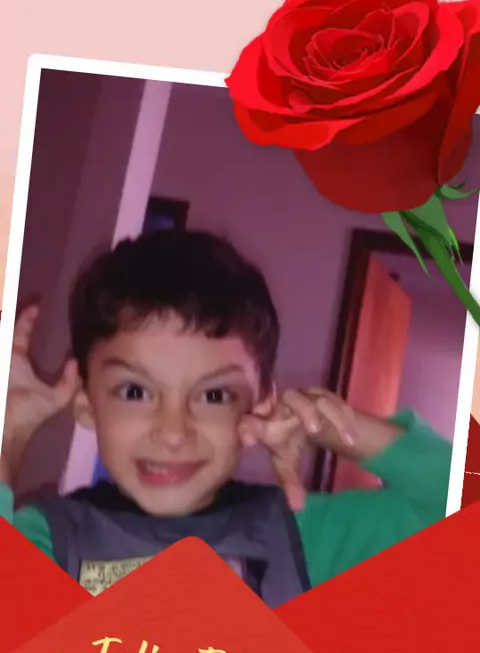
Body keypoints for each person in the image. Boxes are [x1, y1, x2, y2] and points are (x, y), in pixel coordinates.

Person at [0, 231, 451, 606]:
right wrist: (10, 436)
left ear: (260, 406)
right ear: (86, 403)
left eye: (213, 395)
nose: (172, 433)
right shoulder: (51, 539)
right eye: (135, 392)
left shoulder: (304, 538)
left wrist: (344, 431)